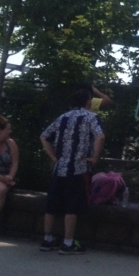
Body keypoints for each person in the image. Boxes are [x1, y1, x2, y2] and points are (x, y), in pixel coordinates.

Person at [39, 85, 105, 255]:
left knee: (52, 204)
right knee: (72, 206)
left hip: (59, 167)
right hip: (79, 168)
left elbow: (44, 136)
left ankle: (47, 239)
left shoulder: (62, 117)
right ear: (88, 102)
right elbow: (100, 136)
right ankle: (68, 242)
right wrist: (94, 157)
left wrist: (54, 157)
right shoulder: (92, 117)